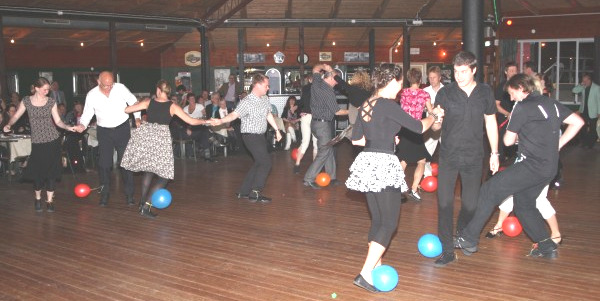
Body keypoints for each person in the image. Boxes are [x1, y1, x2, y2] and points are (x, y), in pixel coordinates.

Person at [454, 73, 584, 259]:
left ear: (521, 88)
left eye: (512, 93)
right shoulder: (551, 103)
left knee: (489, 190)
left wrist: (518, 132)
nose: (511, 97)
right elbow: (577, 122)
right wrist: (557, 145)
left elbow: (507, 141)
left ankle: (468, 238)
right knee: (524, 205)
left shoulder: (522, 107)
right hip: (549, 168)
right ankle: (547, 246)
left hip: (531, 166)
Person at [346, 63, 443, 292]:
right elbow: (418, 127)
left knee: (378, 220)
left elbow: (357, 140)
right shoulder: (388, 105)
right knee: (389, 223)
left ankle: (375, 268)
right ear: (391, 81)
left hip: (368, 163)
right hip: (383, 165)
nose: (400, 89)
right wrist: (435, 115)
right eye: (399, 84)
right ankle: (365, 273)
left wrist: (387, 139)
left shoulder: (365, 105)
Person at [431, 51, 500, 267]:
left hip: (474, 156)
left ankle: (462, 233)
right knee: (444, 203)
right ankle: (447, 250)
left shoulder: (485, 92)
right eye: (455, 71)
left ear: (474, 70)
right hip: (449, 155)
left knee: (470, 204)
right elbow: (436, 127)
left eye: (463, 72)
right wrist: (436, 119)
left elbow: (490, 123)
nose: (459, 76)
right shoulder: (446, 93)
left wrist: (495, 153)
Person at [121, 80, 207, 218]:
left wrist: (137, 108)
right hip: (161, 139)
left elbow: (127, 110)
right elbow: (191, 121)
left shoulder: (149, 102)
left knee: (149, 171)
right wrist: (206, 121)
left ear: (158, 90)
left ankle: (142, 202)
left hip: (147, 137)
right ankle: (146, 206)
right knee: (165, 176)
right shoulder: (172, 106)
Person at [3, 77, 76, 212]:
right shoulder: (26, 101)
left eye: (48, 89)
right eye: (45, 89)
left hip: (53, 140)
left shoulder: (51, 102)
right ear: (36, 88)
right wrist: (9, 124)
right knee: (38, 173)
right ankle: (37, 198)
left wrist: (67, 127)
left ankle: (49, 201)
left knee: (51, 172)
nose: (47, 92)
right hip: (37, 142)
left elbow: (58, 122)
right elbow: (16, 116)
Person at [210, 73, 282, 203]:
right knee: (266, 163)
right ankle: (255, 192)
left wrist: (277, 130)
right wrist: (220, 121)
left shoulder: (265, 98)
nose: (268, 88)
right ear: (258, 85)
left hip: (260, 136)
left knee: (259, 162)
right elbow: (234, 115)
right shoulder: (247, 102)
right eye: (266, 85)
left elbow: (268, 114)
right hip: (250, 136)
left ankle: (243, 191)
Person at [74, 71, 141, 207]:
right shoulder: (92, 95)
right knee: (104, 164)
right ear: (98, 82)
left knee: (126, 163)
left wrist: (137, 117)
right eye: (106, 85)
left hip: (122, 129)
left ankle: (129, 195)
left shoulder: (120, 88)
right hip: (104, 131)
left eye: (111, 84)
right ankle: (104, 195)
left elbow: (134, 102)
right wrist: (82, 124)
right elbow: (87, 113)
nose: (109, 87)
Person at [303, 64, 348, 189]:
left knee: (328, 148)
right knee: (324, 152)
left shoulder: (317, 82)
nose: (337, 83)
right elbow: (337, 111)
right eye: (337, 80)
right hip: (323, 125)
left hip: (315, 123)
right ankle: (308, 178)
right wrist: (354, 111)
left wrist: (324, 66)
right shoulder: (328, 91)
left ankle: (331, 177)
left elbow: (315, 69)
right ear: (332, 78)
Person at [395, 68, 433, 201]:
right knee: (421, 160)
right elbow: (430, 111)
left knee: (403, 159)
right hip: (416, 129)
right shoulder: (424, 94)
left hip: (403, 128)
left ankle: (397, 187)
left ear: (408, 79)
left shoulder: (403, 92)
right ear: (420, 79)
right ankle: (414, 189)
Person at [334, 70, 373, 141]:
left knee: (355, 134)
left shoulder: (352, 88)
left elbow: (342, 83)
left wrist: (333, 74)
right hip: (367, 113)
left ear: (355, 78)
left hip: (354, 114)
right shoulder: (370, 90)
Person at [293, 74, 318, 174]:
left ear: (309, 80)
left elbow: (302, 101)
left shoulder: (305, 88)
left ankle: (297, 165)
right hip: (316, 117)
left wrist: (295, 106)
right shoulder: (320, 89)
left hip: (305, 117)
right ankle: (315, 168)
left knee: (305, 142)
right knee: (316, 144)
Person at [423, 66, 444, 178]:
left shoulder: (446, 90)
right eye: (430, 78)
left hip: (445, 125)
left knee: (447, 150)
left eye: (434, 77)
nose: (432, 80)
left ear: (439, 77)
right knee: (426, 150)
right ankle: (427, 175)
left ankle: (446, 174)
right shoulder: (425, 91)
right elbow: (421, 108)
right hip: (430, 125)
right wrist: (427, 108)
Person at [496, 62, 518, 163]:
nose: (514, 73)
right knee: (503, 143)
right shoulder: (502, 87)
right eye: (511, 71)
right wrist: (508, 114)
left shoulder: (519, 86)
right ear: (506, 72)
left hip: (516, 118)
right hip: (504, 119)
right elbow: (496, 105)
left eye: (515, 71)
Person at [572, 73, 600, 149]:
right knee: (583, 127)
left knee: (592, 129)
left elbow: (599, 100)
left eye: (585, 80)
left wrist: (599, 112)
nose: (584, 82)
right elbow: (574, 91)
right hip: (584, 110)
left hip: (593, 111)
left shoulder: (597, 88)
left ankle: (590, 143)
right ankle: (584, 142)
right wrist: (581, 84)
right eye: (583, 80)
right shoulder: (583, 87)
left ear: (589, 80)